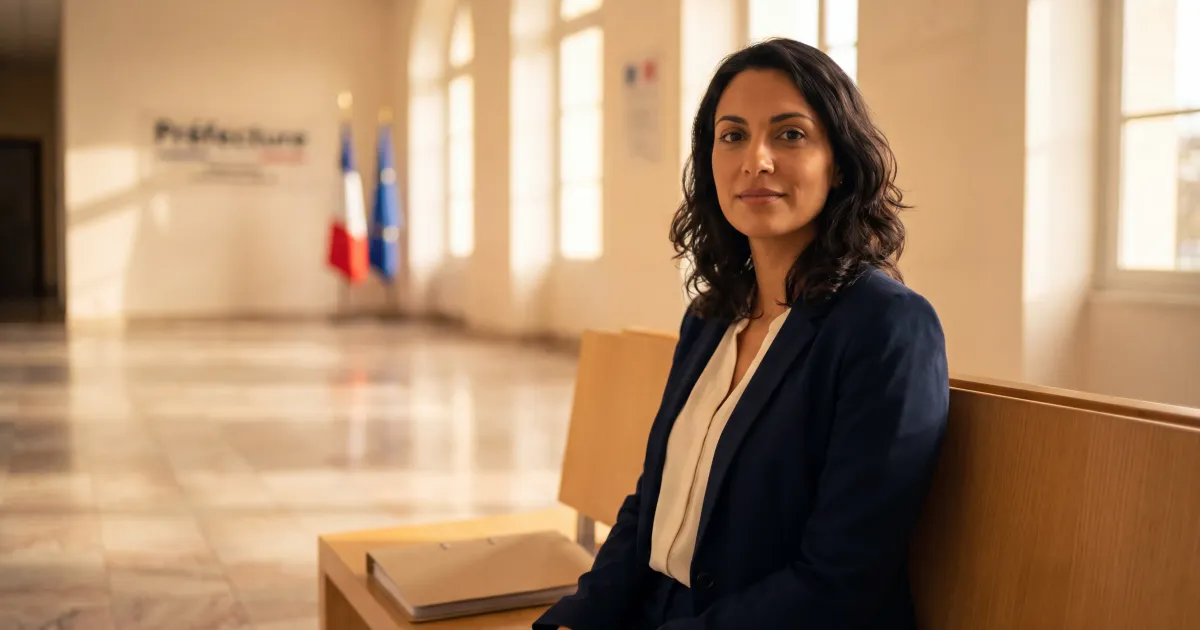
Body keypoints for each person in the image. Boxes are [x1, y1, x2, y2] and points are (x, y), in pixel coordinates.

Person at [533, 37, 949, 630]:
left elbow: (839, 582)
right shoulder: (711, 315)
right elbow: (653, 503)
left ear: (839, 164)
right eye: (732, 135)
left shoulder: (887, 326)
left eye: (790, 134)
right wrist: (579, 616)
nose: (756, 159)